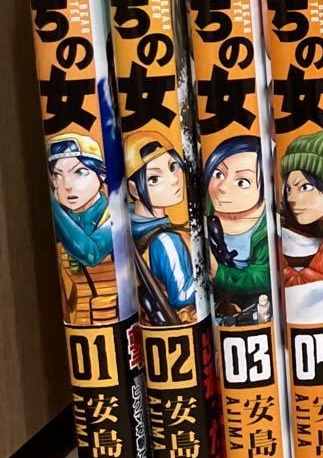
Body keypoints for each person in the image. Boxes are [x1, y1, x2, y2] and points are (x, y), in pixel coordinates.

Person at [125, 129, 197, 325]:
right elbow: (182, 296)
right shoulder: (166, 241)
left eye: (173, 166)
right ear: (133, 189)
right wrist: (209, 269)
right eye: (154, 179)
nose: (174, 179)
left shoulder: (131, 226)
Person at [47, 133, 117, 325]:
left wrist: (53, 204)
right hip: (76, 324)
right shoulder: (63, 220)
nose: (67, 185)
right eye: (57, 175)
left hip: (114, 323)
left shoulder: (115, 214)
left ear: (101, 174)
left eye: (79, 172)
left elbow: (91, 253)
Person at [204, 135, 270, 320]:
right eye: (218, 174)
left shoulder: (266, 226)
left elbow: (262, 277)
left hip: (252, 307)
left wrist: (219, 272)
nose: (223, 187)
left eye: (242, 182)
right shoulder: (206, 207)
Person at [279, 129, 323, 285]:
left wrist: (273, 258)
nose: (291, 198)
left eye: (305, 187)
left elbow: (304, 287)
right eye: (289, 189)